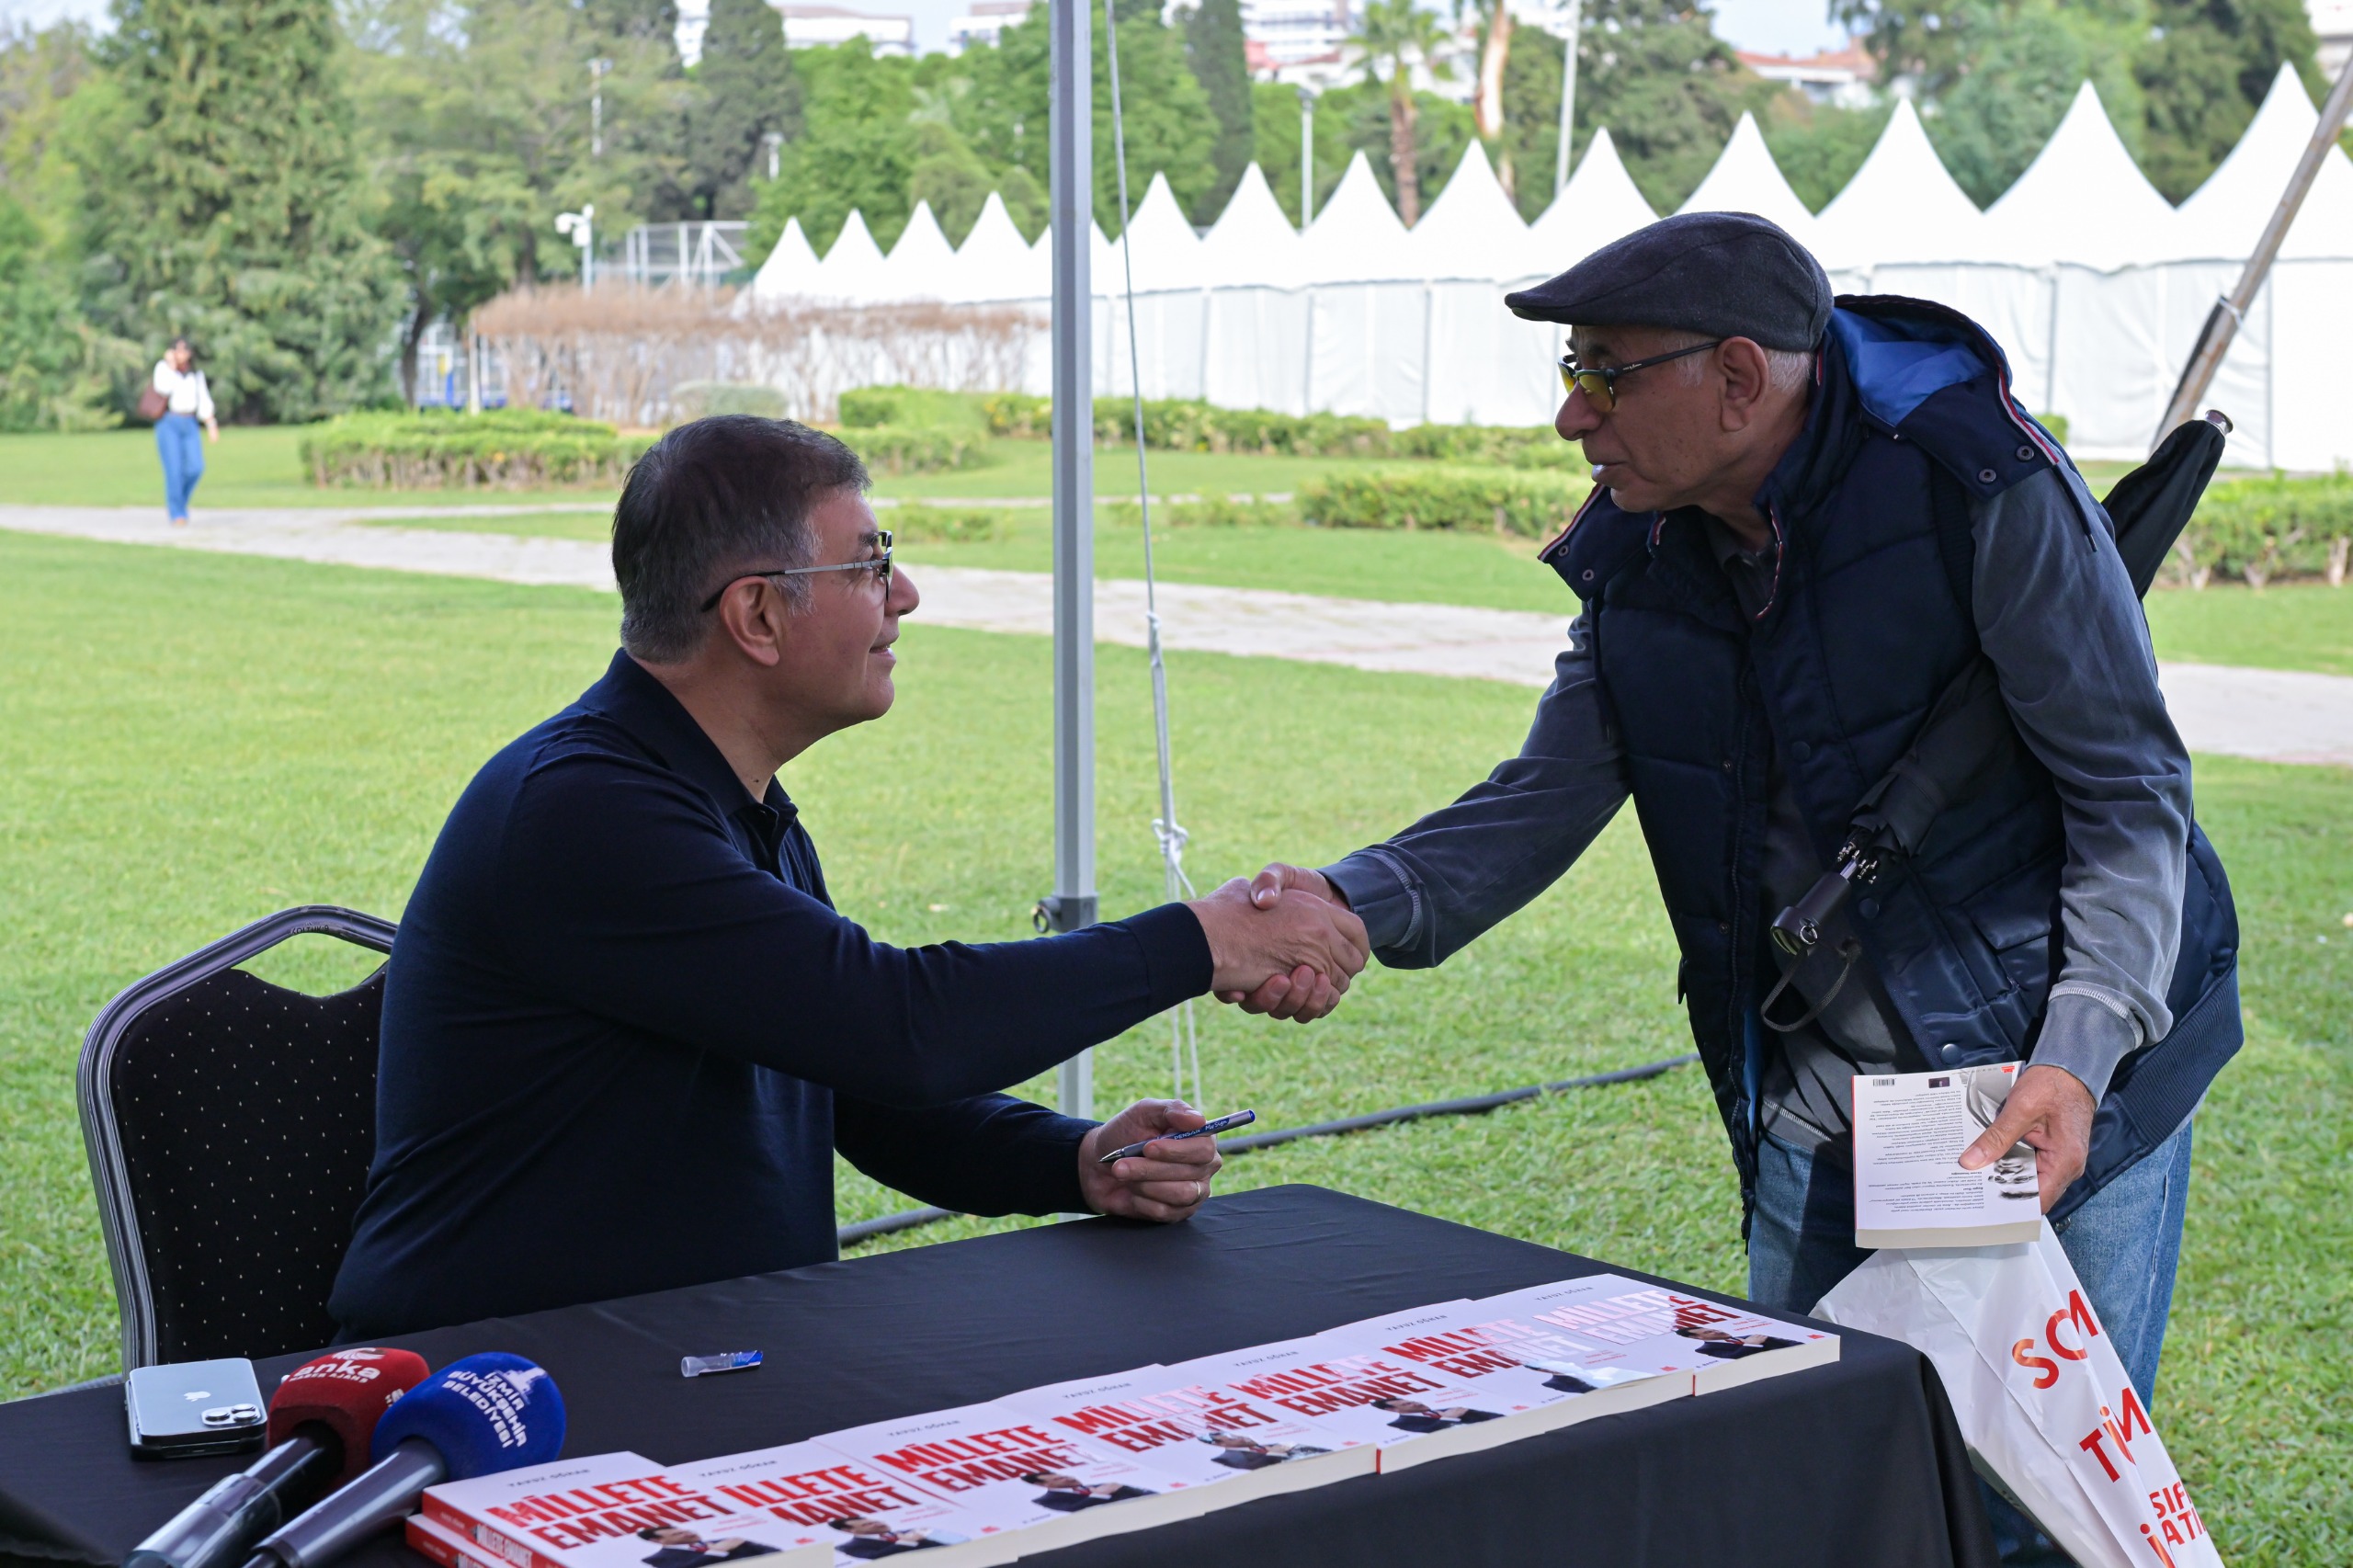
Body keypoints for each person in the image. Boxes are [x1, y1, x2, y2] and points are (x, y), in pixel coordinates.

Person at [1236, 213, 2239, 1552]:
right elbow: (1545, 792)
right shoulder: (1638, 551)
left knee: (2046, 1503)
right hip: (1821, 1090)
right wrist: (1352, 902)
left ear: (1739, 379)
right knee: (1829, 1474)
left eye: (1604, 373)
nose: (1568, 419)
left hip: (2058, 1071)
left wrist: (2081, 1050)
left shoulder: (1977, 485)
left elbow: (2129, 792)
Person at [327, 416, 1367, 1336]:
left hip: (686, 1357)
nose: (904, 594)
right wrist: (1204, 937)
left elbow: (856, 1085)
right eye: (870, 565)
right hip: (498, 1395)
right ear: (758, 616)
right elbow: (901, 1028)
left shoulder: (728, 806)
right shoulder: (584, 812)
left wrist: (1077, 1158)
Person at [150, 336, 218, 527]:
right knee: (174, 469)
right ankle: (177, 512)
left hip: (189, 422)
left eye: (184, 350)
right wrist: (171, 366)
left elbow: (203, 399)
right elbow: (163, 388)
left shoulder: (195, 374)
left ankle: (180, 500)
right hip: (169, 422)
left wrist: (211, 423)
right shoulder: (163, 369)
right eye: (177, 350)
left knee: (196, 467)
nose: (181, 355)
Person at [635, 1528, 778, 1566]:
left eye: (687, 1530)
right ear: (657, 1540)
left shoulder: (726, 1540)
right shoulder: (656, 1559)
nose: (689, 1534)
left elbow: (774, 1552)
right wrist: (715, 1552)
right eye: (679, 1534)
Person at [1021, 1472, 1153, 1510]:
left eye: (1067, 1475)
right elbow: (1073, 1509)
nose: (1071, 1478)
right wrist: (1098, 1495)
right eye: (1060, 1478)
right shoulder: (1044, 1501)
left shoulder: (1100, 1484)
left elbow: (1149, 1494)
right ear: (1043, 1484)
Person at [1370, 1398, 1498, 1433]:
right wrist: (1448, 1418)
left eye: (1413, 1400)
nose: (1417, 1403)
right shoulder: (1399, 1424)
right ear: (1393, 1410)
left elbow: (1492, 1416)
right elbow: (1428, 1432)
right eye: (1408, 1404)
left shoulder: (1449, 1409)